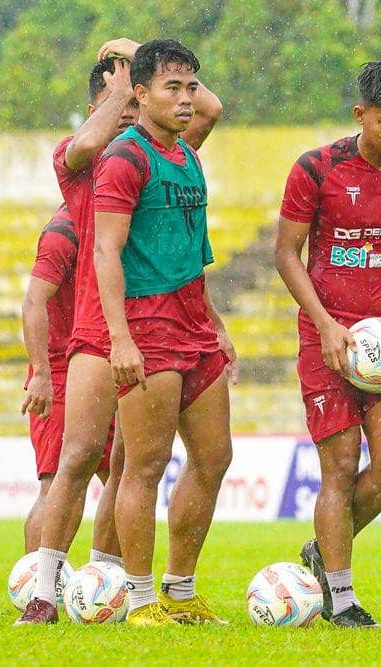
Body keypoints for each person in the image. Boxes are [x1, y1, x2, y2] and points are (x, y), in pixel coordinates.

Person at [16, 38, 224, 626]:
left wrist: (153, 60)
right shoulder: (83, 159)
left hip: (160, 321)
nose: (134, 120)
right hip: (97, 325)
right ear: (109, 103)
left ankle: (113, 578)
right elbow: (86, 141)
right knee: (79, 456)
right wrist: (123, 87)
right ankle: (44, 589)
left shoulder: (169, 152)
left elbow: (206, 110)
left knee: (133, 458)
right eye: (125, 107)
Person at [274, 61, 381, 628]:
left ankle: (322, 551)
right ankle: (341, 597)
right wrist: (324, 324)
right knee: (339, 468)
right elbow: (286, 255)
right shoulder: (316, 168)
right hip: (329, 338)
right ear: (360, 115)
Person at [92, 38, 236, 627]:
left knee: (214, 458)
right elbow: (106, 249)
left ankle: (180, 590)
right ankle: (141, 598)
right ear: (140, 94)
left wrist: (216, 323)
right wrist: (120, 338)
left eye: (190, 86)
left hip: (195, 320)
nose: (185, 98)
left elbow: (190, 253)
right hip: (148, 324)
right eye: (171, 88)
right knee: (144, 467)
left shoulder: (187, 155)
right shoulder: (126, 157)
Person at [19, 203, 117, 555]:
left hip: (103, 363)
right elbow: (34, 302)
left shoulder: (111, 223)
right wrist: (41, 373)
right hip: (60, 369)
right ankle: (36, 588)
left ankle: (108, 581)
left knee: (121, 479)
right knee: (57, 480)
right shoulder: (64, 232)